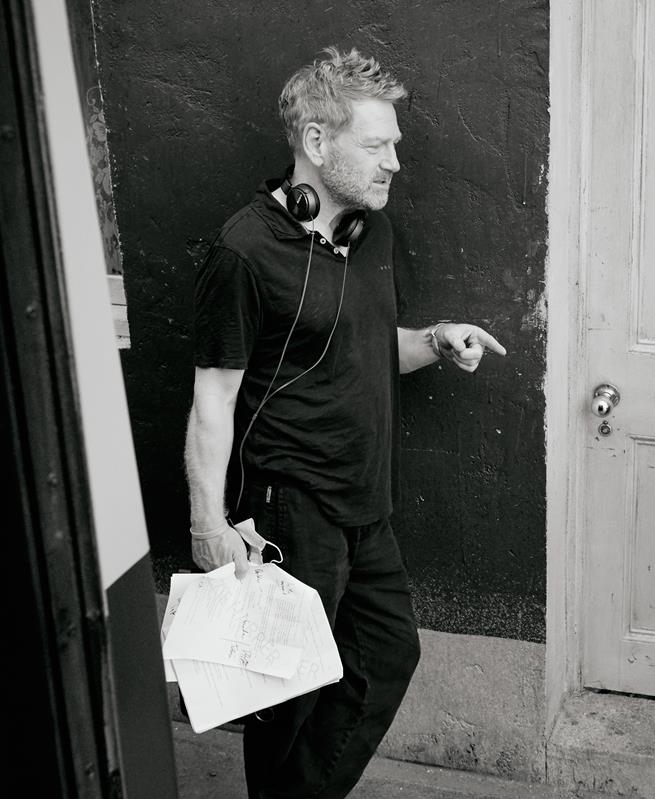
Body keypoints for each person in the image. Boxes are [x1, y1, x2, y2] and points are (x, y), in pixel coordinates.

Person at [183, 46, 505, 798]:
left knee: (387, 655)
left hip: (368, 506)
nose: (395, 161)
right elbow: (212, 398)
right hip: (290, 511)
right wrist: (207, 522)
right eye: (378, 144)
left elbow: (359, 348)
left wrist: (434, 339)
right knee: (283, 698)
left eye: (396, 144)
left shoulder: (371, 235)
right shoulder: (244, 251)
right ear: (317, 144)